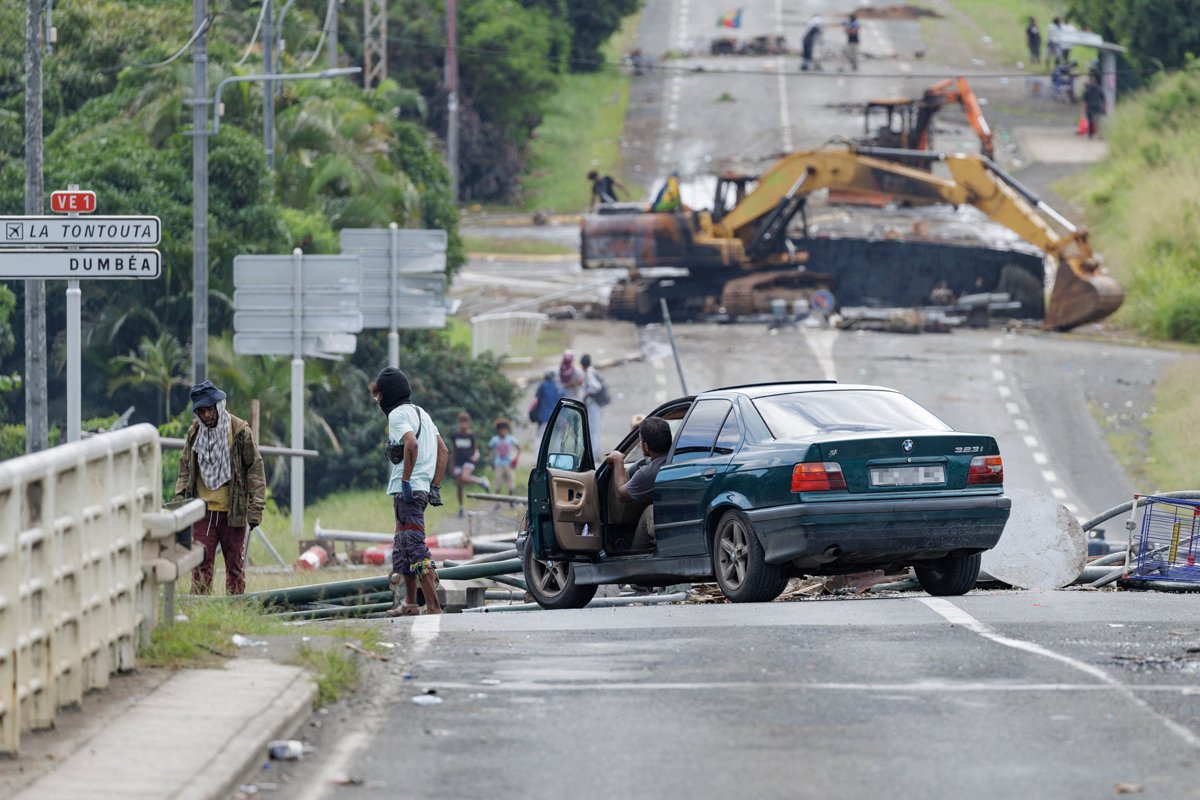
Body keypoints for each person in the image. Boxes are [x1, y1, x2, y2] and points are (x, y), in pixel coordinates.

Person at [173, 380, 265, 596]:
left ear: (218, 405)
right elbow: (185, 467)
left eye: (209, 409)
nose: (206, 415)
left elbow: (255, 468)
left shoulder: (240, 431)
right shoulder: (195, 433)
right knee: (201, 566)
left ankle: (237, 608)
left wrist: (256, 507)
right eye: (201, 411)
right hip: (202, 511)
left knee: (234, 566)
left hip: (233, 511)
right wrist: (178, 504)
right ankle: (200, 611)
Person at [373, 367, 449, 616]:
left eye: (379, 395)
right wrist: (434, 485)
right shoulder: (422, 413)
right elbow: (443, 451)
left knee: (415, 547)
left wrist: (406, 480)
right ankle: (411, 603)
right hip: (420, 490)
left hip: (409, 492)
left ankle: (433, 606)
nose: (378, 400)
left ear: (387, 395)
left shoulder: (396, 416)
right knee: (402, 546)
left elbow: (411, 443)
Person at [604, 416, 672, 551]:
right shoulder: (676, 456)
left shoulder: (649, 472)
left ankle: (635, 554)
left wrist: (618, 460)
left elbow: (622, 494)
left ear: (645, 446)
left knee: (649, 512)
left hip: (669, 516)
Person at [450, 411, 490, 518]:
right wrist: (452, 464)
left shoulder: (471, 435)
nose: (463, 425)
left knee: (465, 477)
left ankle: (482, 481)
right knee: (459, 485)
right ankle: (461, 507)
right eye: (461, 422)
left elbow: (475, 449)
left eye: (465, 422)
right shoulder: (455, 435)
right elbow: (453, 451)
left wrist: (476, 456)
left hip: (468, 460)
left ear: (469, 423)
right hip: (458, 462)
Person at [580, 353, 605, 460]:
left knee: (594, 430)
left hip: (594, 405)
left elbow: (596, 386)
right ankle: (595, 453)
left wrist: (587, 394)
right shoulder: (592, 371)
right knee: (595, 430)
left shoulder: (589, 373)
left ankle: (594, 455)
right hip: (596, 405)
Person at [488, 419, 522, 497]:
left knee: (510, 482)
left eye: (504, 429)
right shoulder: (495, 439)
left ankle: (511, 500)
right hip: (498, 463)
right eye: (501, 429)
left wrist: (516, 459)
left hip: (509, 464)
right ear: (498, 430)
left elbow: (519, 448)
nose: (502, 431)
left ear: (507, 430)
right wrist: (491, 460)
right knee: (498, 483)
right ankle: (497, 501)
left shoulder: (510, 438)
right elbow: (489, 449)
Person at [533, 368, 564, 442]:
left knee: (541, 437)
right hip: (556, 416)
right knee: (555, 438)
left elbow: (538, 396)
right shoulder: (558, 387)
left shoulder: (542, 386)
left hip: (543, 416)